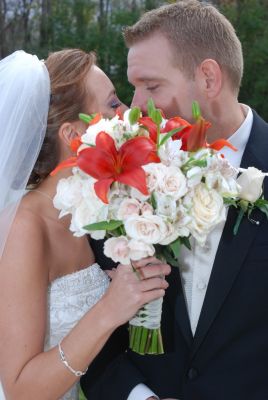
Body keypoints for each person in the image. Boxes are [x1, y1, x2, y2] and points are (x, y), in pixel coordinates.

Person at [80, 1, 268, 400]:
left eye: (151, 86)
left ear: (209, 78)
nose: (136, 107)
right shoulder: (124, 179)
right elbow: (93, 325)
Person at [0, 49, 171, 400]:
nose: (127, 113)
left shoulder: (94, 212)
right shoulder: (25, 227)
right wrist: (110, 307)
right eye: (112, 104)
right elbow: (20, 389)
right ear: (72, 135)